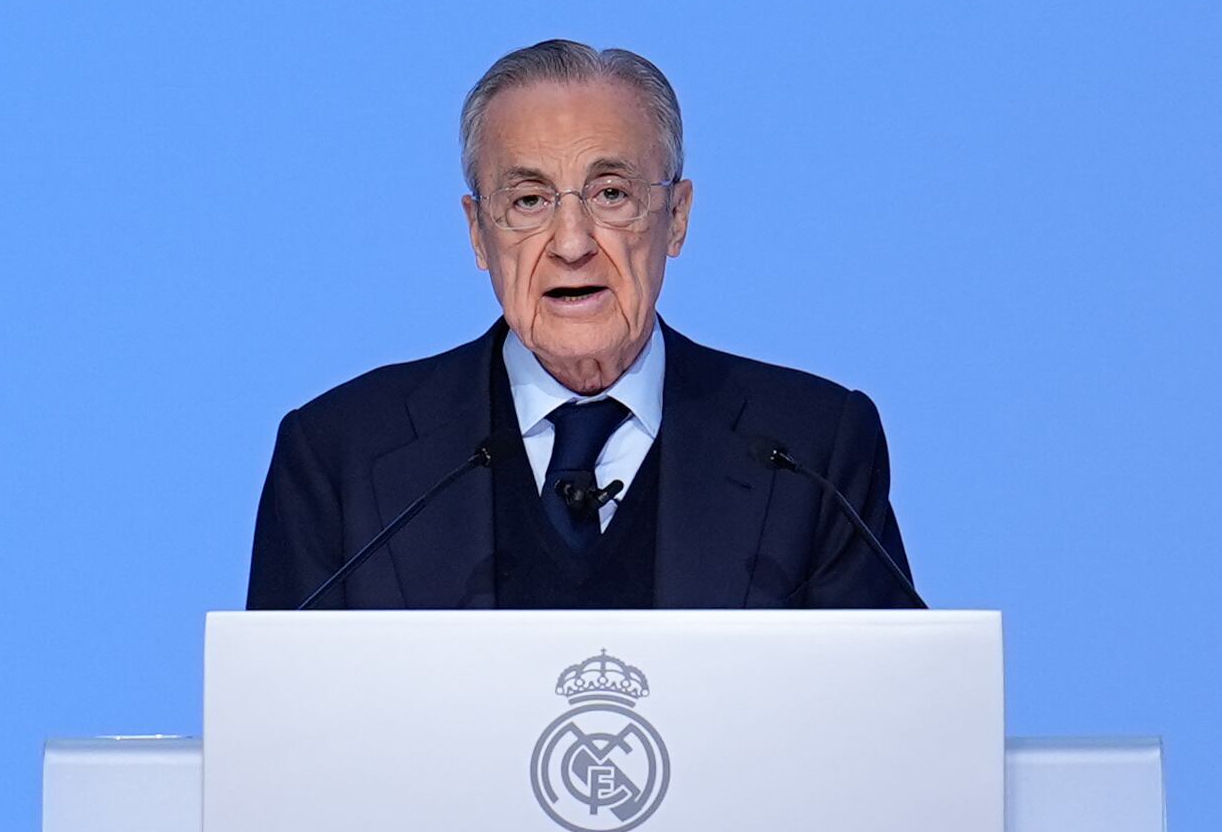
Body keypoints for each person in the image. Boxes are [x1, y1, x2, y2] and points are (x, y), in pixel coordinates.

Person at [246, 39, 918, 611]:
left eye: (611, 194)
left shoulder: (810, 452)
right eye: (528, 200)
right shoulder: (341, 458)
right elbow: (281, 717)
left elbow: (889, 711)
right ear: (478, 233)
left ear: (677, 217)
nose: (571, 243)